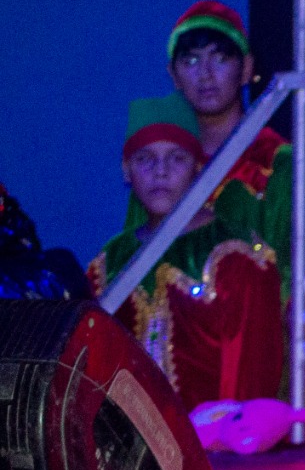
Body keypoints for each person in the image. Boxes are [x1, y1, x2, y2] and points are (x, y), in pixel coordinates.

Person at [89, 98, 287, 407]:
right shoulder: (109, 263)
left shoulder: (236, 257)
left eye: (177, 158)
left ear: (198, 168)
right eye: (145, 159)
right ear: (126, 170)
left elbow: (250, 383)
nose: (161, 172)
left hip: (213, 437)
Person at [152, 1, 305, 313]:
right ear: (174, 74)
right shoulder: (162, 168)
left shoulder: (281, 166)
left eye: (220, 59)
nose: (205, 74)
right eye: (192, 60)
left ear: (247, 69)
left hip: (252, 339)